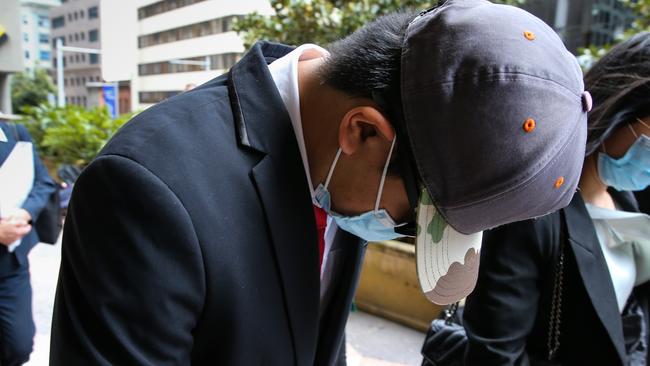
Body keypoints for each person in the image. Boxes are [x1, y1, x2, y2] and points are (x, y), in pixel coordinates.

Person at [51, 1, 591, 365]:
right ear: (362, 130)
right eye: (411, 222)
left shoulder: (341, 162)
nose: (396, 230)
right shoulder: (149, 192)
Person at [455, 32, 650, 366]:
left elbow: (629, 323)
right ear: (624, 108)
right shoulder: (534, 210)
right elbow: (496, 353)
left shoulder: (627, 200)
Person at [0, 111, 57, 365]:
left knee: (19, 344)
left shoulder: (14, 133)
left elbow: (43, 183)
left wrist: (25, 213)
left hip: (11, 261)